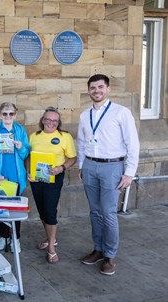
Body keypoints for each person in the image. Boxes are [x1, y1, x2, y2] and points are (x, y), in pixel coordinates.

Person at [77, 74, 139, 275]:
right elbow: (81, 142)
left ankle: (110, 256)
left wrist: (129, 173)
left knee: (108, 213)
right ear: (88, 90)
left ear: (108, 89)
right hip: (90, 166)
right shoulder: (85, 115)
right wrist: (81, 166)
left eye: (100, 87)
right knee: (94, 211)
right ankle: (98, 249)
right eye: (93, 88)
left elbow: (133, 144)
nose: (97, 91)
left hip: (112, 168)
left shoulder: (121, 112)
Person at [27, 107, 77, 264]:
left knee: (50, 211)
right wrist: (28, 171)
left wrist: (61, 168)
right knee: (42, 210)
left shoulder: (65, 137)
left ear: (58, 122)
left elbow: (72, 158)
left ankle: (51, 249)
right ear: (42, 120)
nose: (51, 123)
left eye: (54, 120)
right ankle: (50, 239)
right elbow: (28, 156)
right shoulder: (33, 136)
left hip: (54, 178)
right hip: (37, 179)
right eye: (48, 119)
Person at [0, 102, 30, 253]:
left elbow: (25, 154)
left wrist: (20, 147)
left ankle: (15, 238)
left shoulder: (20, 130)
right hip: (0, 176)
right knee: (0, 208)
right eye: (5, 114)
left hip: (16, 176)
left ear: (15, 115)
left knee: (15, 210)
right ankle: (2, 237)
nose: (8, 117)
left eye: (11, 114)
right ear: (0, 115)